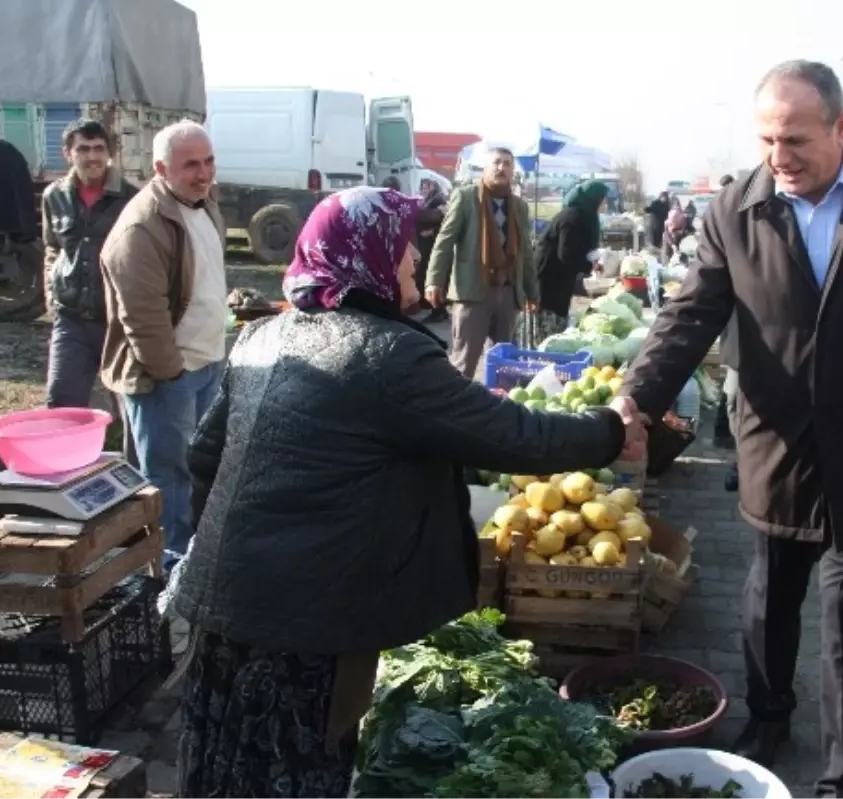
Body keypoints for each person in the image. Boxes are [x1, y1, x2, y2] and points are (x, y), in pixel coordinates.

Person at [168, 185, 639, 798]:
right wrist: (610, 431)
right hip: (311, 619)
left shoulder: (264, 337)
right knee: (304, 761)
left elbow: (203, 456)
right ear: (367, 254)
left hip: (225, 604)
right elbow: (515, 435)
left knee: (227, 758)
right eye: (403, 244)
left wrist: (229, 560)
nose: (415, 257)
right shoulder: (388, 355)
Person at [610, 60, 843, 796]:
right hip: (776, 441)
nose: (780, 157)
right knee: (770, 591)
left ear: (842, 128)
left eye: (797, 140)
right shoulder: (738, 207)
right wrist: (632, 399)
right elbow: (690, 316)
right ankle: (769, 715)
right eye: (768, 139)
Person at [100, 120, 226, 572]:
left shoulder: (203, 202)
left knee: (199, 470)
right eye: (190, 164)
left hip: (207, 365)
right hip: (167, 377)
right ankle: (170, 575)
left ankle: (196, 563)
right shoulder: (141, 227)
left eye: (208, 160)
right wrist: (171, 373)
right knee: (168, 478)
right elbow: (143, 316)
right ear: (160, 168)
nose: (204, 172)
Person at [42, 119, 138, 410]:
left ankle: (129, 456)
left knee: (131, 406)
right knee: (61, 403)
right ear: (68, 153)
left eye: (99, 148)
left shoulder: (131, 198)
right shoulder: (54, 196)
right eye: (83, 149)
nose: (92, 156)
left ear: (109, 153)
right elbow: (52, 248)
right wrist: (50, 291)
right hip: (71, 319)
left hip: (118, 321)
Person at [425, 146, 537, 378]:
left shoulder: (519, 206)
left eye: (507, 164)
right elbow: (444, 241)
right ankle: (454, 412)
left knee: (504, 365)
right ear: (485, 168)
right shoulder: (466, 198)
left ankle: (499, 408)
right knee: (463, 363)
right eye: (496, 162)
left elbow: (525, 251)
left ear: (512, 170)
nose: (501, 168)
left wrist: (531, 291)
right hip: (472, 293)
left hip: (508, 295)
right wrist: (433, 281)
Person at [521, 179, 608, 346]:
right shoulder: (573, 218)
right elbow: (566, 255)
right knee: (547, 326)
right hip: (548, 280)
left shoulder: (583, 215)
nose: (604, 203)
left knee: (555, 321)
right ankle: (542, 357)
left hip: (559, 278)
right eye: (602, 198)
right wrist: (589, 266)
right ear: (593, 199)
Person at [416, 178, 449, 322]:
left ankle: (439, 310)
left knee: (434, 277)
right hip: (425, 246)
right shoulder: (427, 201)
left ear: (434, 186)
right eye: (423, 186)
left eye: (427, 186)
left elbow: (446, 223)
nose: (424, 189)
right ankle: (434, 307)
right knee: (425, 276)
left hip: (434, 246)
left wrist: (433, 231)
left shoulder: (439, 202)